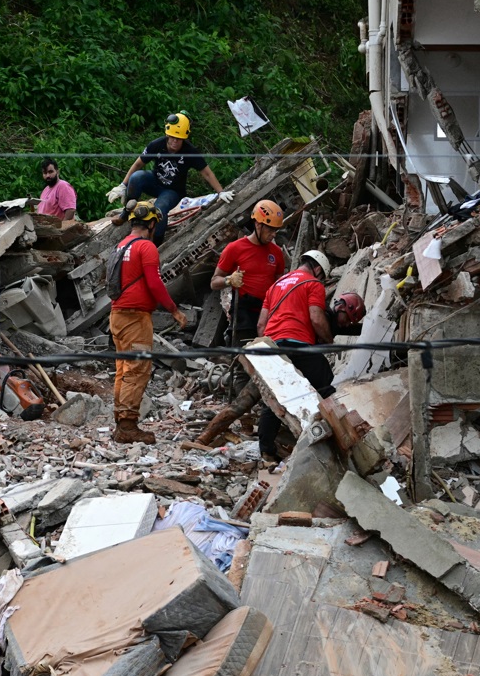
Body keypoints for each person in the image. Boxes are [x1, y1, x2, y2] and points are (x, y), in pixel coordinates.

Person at [254, 251, 367, 460]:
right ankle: (345, 440)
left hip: (272, 345)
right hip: (298, 343)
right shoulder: (313, 284)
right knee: (327, 385)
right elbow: (316, 318)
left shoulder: (275, 286)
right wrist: (328, 341)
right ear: (317, 269)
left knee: (277, 398)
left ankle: (266, 451)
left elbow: (261, 324)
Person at [109, 202, 188, 444]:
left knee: (123, 368)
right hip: (135, 318)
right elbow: (155, 283)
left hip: (118, 316)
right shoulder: (146, 247)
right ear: (152, 223)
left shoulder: (121, 245)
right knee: (137, 369)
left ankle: (121, 421)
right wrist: (174, 310)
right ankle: (127, 427)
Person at [106, 113, 233, 244]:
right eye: (172, 137)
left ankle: (157, 242)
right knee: (137, 177)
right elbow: (138, 164)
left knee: (159, 210)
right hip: (155, 180)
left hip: (173, 191)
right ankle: (125, 214)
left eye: (179, 139)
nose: (175, 141)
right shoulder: (157, 145)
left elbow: (207, 173)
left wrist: (221, 192)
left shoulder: (190, 152)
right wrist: (123, 185)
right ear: (167, 135)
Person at [211, 199, 288, 350]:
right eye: (270, 230)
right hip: (243, 310)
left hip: (267, 311)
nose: (273, 234)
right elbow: (214, 282)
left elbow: (280, 282)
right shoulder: (234, 249)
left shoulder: (276, 253)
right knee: (244, 353)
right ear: (258, 224)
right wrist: (229, 280)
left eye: (276, 230)